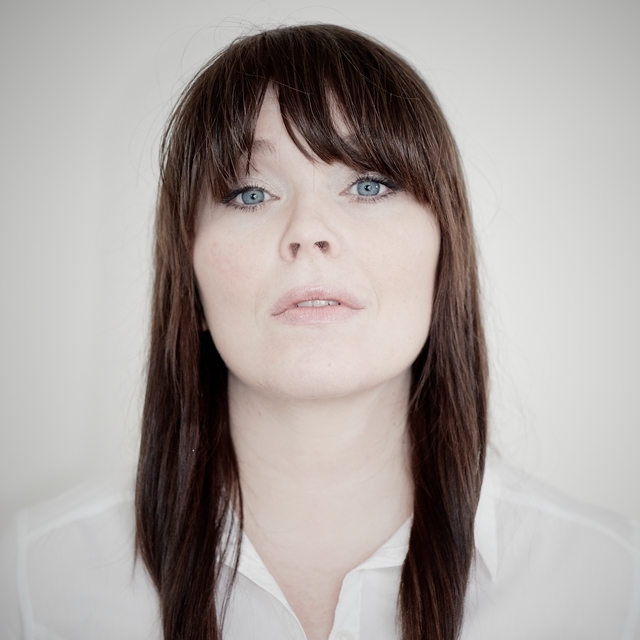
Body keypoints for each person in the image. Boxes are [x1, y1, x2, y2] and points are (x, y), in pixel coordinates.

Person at [1, 23, 638, 640]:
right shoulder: (32, 579)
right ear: (187, 275)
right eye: (250, 194)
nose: (308, 231)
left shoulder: (611, 584)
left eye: (368, 184)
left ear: (445, 253)